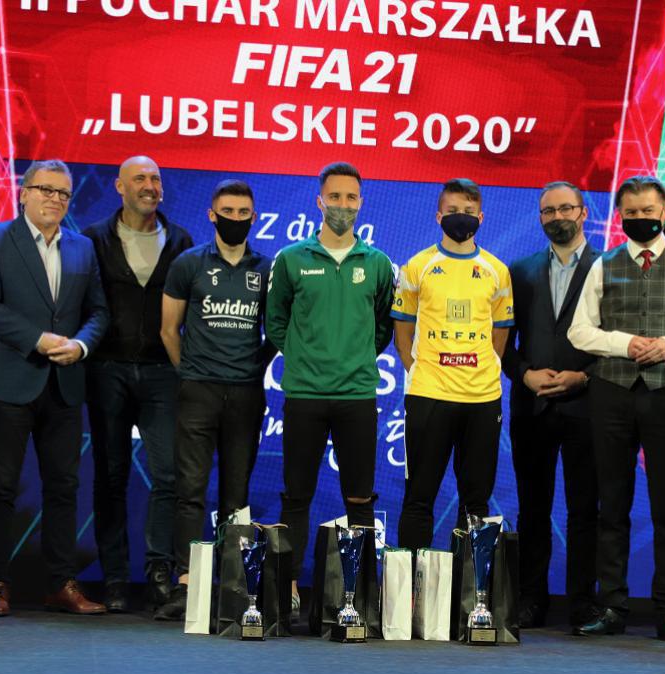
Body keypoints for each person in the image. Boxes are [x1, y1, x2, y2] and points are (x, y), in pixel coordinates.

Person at [0, 159, 109, 616]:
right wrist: (37, 339)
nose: (55, 199)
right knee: (1, 487)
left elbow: (98, 312)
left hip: (64, 383)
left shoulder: (83, 248)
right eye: (46, 189)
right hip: (10, 380)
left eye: (63, 193)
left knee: (63, 487)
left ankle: (61, 584)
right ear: (23, 193)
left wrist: (81, 346)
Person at [568, 175, 665, 642]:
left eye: (648, 211)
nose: (640, 218)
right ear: (620, 216)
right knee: (612, 504)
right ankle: (612, 607)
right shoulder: (603, 264)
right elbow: (579, 332)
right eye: (631, 213)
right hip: (612, 392)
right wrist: (626, 344)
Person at [266, 162, 394, 619]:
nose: (343, 205)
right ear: (319, 201)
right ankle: (286, 594)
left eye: (350, 197)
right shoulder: (291, 258)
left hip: (357, 395)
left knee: (359, 498)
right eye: (334, 197)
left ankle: (357, 600)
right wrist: (306, 358)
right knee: (296, 496)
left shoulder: (377, 264)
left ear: (361, 203)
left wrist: (352, 357)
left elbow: (383, 328)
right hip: (304, 394)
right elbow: (275, 322)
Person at [155, 179, 274, 621]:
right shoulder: (188, 263)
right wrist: (190, 371)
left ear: (253, 218)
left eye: (243, 213)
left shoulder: (267, 269)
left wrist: (253, 366)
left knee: (235, 496)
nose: (235, 220)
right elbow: (169, 330)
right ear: (212, 214)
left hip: (245, 393)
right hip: (198, 391)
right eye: (228, 212)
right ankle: (187, 583)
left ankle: (232, 587)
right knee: (189, 491)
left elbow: (276, 331)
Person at [81, 156, 194, 613]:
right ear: (119, 187)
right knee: (111, 476)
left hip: (162, 373)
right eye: (140, 179)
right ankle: (113, 579)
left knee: (168, 475)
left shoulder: (181, 241)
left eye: (156, 179)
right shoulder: (91, 239)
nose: (150, 186)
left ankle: (159, 573)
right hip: (106, 370)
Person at [393, 178, 513, 552]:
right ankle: (412, 582)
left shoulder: (496, 270)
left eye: (468, 211)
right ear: (438, 216)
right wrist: (420, 372)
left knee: (476, 503)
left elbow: (500, 334)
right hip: (429, 394)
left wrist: (484, 369)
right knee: (419, 497)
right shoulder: (418, 266)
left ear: (481, 217)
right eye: (453, 211)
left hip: (482, 399)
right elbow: (402, 332)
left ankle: (469, 586)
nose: (461, 217)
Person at [501, 181, 599, 630]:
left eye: (565, 208)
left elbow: (619, 341)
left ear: (583, 212)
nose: (557, 217)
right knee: (532, 509)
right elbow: (502, 341)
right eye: (548, 211)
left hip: (589, 405)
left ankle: (583, 604)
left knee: (585, 510)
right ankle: (530, 600)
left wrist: (585, 377)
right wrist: (523, 374)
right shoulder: (518, 272)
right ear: (540, 218)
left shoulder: (608, 268)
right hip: (532, 405)